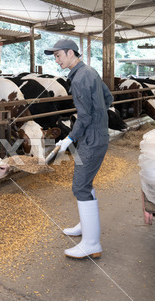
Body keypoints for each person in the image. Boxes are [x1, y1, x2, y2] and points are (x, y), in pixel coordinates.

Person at [44, 39, 113, 259]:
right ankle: (86, 225)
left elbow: (84, 116)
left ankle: (92, 244)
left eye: (58, 55)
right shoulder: (89, 71)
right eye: (55, 57)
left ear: (71, 52)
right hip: (96, 135)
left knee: (80, 186)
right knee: (85, 183)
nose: (57, 60)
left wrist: (68, 139)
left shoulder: (81, 77)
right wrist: (98, 119)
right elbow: (108, 98)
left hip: (91, 139)